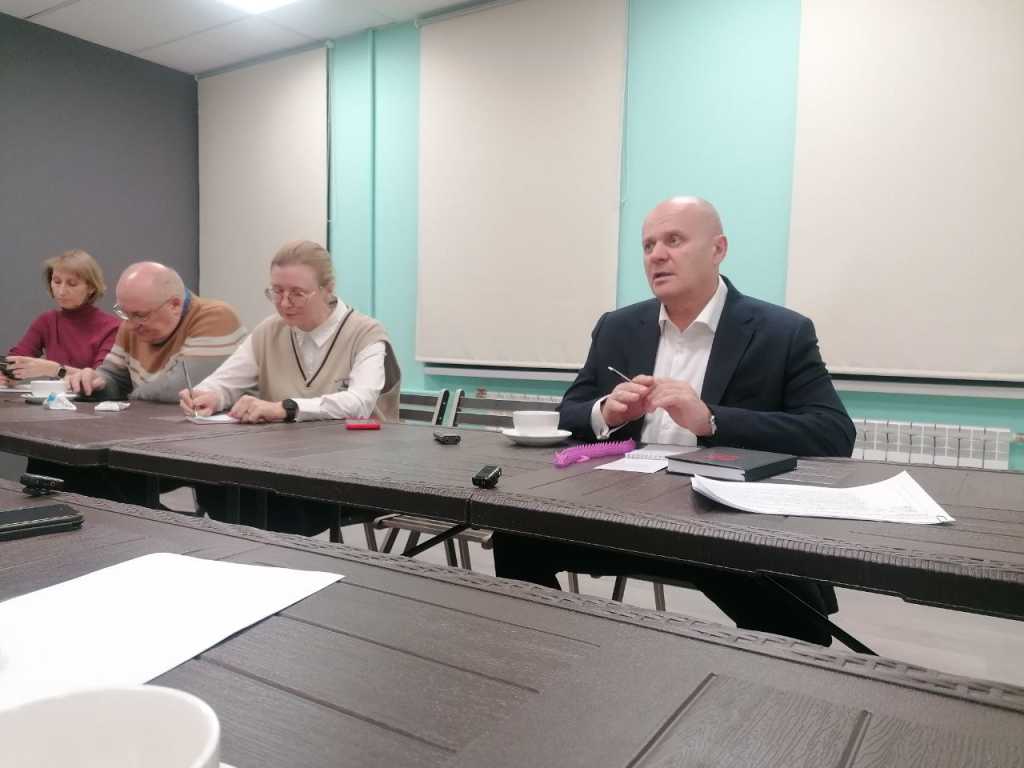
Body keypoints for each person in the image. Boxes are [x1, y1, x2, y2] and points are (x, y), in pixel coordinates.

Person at [493, 197, 856, 645]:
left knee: (793, 620)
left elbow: (833, 433)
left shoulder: (781, 331)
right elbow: (569, 411)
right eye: (648, 245)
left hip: (720, 525)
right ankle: (548, 656)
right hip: (619, 514)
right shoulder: (617, 326)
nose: (657, 255)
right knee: (516, 535)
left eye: (674, 240)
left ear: (718, 249)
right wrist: (606, 411)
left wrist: (712, 420)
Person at [179, 240, 401, 534]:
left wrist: (286, 408)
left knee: (271, 506)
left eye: (297, 293)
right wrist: (209, 394)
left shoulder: (366, 333)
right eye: (277, 291)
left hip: (353, 470)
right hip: (284, 466)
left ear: (328, 289)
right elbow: (226, 380)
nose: (284, 303)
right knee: (217, 488)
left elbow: (359, 403)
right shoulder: (269, 330)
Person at [68, 262, 245, 401]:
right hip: (151, 426)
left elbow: (181, 389)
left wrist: (129, 399)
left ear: (174, 305)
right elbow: (115, 378)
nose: (130, 325)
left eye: (140, 315)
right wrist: (95, 383)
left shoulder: (215, 317)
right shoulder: (131, 324)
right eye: (124, 312)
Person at [3, 250, 120, 385]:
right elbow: (17, 358)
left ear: (91, 288)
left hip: (91, 398)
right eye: (57, 282)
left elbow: (101, 380)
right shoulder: (46, 321)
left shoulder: (112, 327)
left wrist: (55, 370)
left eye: (72, 284)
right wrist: (7, 375)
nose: (61, 291)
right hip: (55, 398)